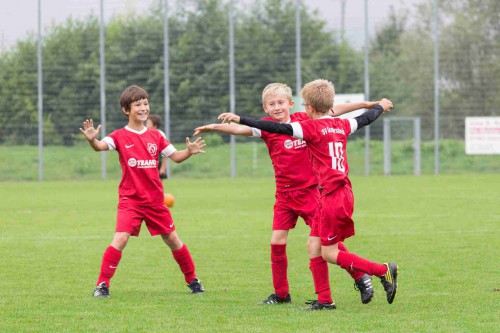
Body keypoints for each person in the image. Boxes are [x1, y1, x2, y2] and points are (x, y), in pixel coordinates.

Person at [194, 83, 378, 310]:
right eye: (272, 104)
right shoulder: (267, 126)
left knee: (327, 242)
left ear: (291, 104)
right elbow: (239, 130)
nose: (277, 107)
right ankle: (281, 294)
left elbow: (335, 109)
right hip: (284, 196)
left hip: (311, 193)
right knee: (277, 242)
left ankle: (361, 276)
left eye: (281, 102)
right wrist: (214, 127)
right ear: (265, 107)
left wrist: (365, 105)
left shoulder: (305, 120)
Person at [79, 85, 207, 298]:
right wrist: (92, 139)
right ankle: (102, 285)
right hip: (130, 201)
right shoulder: (119, 136)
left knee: (173, 239)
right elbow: (100, 146)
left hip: (155, 201)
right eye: (137, 104)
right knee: (120, 239)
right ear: (126, 110)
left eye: (145, 103)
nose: (143, 108)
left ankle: (193, 279)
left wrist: (189, 152)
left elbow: (175, 156)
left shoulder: (156, 136)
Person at [146, 114, 168, 179]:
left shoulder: (160, 135)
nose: (146, 125)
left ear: (155, 126)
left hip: (158, 163)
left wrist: (163, 168)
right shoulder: (144, 133)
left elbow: (165, 153)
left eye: (148, 123)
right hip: (146, 163)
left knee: (158, 184)